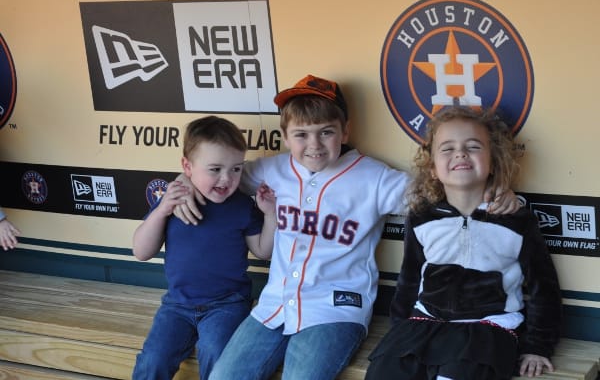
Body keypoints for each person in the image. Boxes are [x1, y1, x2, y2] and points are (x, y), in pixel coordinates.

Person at [172, 75, 521, 380]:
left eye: (326, 133)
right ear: (285, 135)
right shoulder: (269, 171)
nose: (314, 145)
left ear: (346, 130)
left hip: (335, 310)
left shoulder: (374, 178)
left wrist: (494, 193)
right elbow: (214, 175)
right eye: (301, 135)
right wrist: (184, 182)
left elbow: (440, 191)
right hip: (273, 307)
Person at [365, 106, 562, 380]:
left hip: (488, 327)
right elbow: (409, 281)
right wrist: (400, 333)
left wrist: (537, 347)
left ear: (493, 162)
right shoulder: (422, 217)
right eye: (447, 148)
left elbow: (545, 290)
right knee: (385, 372)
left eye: (473, 146)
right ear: (432, 168)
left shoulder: (517, 220)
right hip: (426, 322)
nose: (460, 153)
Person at [131, 116, 277, 380]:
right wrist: (162, 210)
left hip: (227, 304)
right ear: (187, 166)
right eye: (215, 169)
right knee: (153, 359)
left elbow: (263, 250)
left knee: (217, 351)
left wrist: (270, 216)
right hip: (177, 305)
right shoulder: (175, 201)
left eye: (236, 169)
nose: (226, 179)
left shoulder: (242, 205)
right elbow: (141, 251)